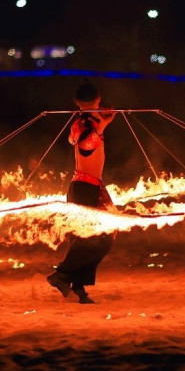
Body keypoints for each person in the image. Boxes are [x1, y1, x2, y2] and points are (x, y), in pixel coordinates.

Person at [47, 81, 117, 304]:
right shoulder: (88, 122)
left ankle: (77, 286)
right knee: (102, 236)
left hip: (82, 186)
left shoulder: (82, 120)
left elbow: (72, 140)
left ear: (77, 103)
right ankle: (63, 274)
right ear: (98, 99)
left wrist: (100, 121)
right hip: (86, 187)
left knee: (84, 239)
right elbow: (86, 146)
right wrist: (102, 126)